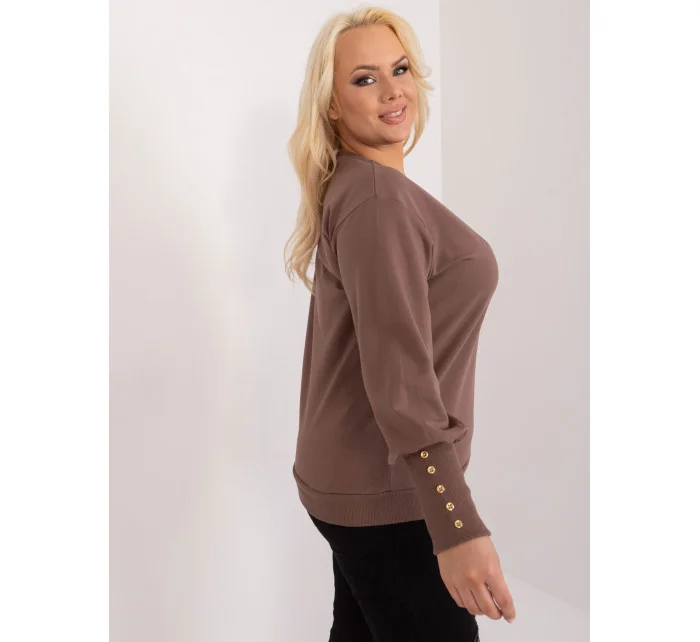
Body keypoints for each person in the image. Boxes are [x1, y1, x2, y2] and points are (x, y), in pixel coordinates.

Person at [284, 6, 516, 641]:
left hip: (356, 481)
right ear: (332, 105)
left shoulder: (358, 187)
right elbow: (401, 385)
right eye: (364, 78)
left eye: (401, 69)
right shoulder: (377, 201)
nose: (392, 91)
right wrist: (457, 525)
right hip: (388, 494)